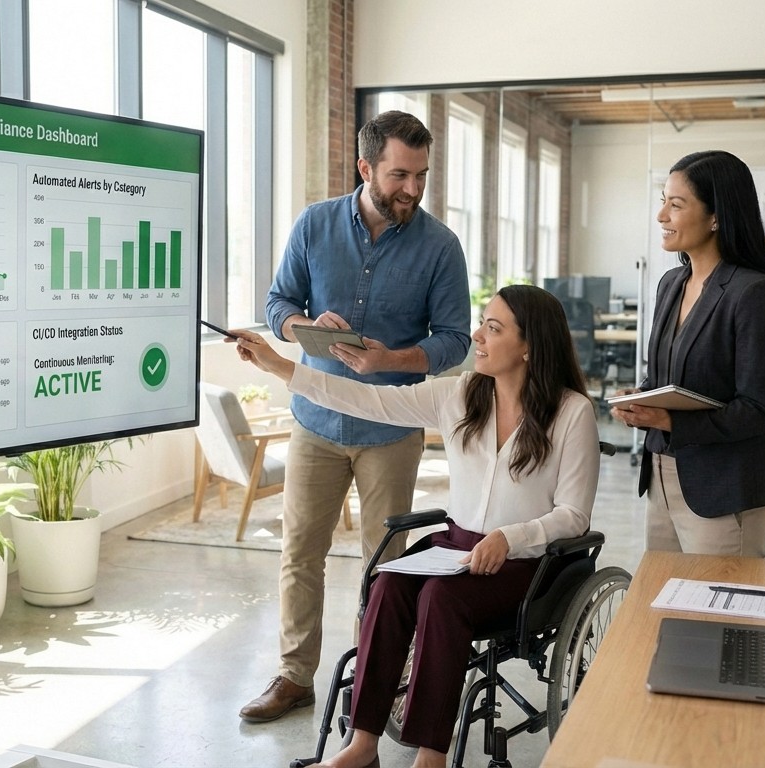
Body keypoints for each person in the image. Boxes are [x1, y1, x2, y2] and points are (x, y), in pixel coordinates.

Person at [228, 284, 600, 768]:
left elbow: (574, 514)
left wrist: (511, 537)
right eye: (482, 323)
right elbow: (364, 400)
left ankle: (430, 757)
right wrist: (278, 364)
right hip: (456, 548)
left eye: (493, 327)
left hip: (525, 564)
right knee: (389, 580)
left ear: (530, 345)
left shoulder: (573, 413)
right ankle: (361, 746)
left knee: (440, 598)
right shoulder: (461, 394)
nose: (477, 336)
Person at [238, 111, 472, 724]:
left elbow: (454, 339)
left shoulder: (441, 247)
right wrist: (300, 327)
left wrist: (398, 357)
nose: (413, 189)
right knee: (300, 552)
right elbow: (277, 302)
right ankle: (294, 676)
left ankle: (379, 678)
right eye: (400, 174)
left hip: (389, 429)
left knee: (388, 563)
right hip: (316, 417)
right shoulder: (314, 225)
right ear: (366, 168)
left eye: (422, 175)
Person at [610, 149, 765, 558]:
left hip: (723, 489)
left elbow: (759, 409)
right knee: (666, 610)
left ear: (716, 217)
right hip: (661, 479)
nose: (662, 216)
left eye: (676, 205)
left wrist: (670, 420)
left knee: (716, 617)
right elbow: (665, 379)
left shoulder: (753, 293)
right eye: (663, 202)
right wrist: (640, 400)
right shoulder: (671, 283)